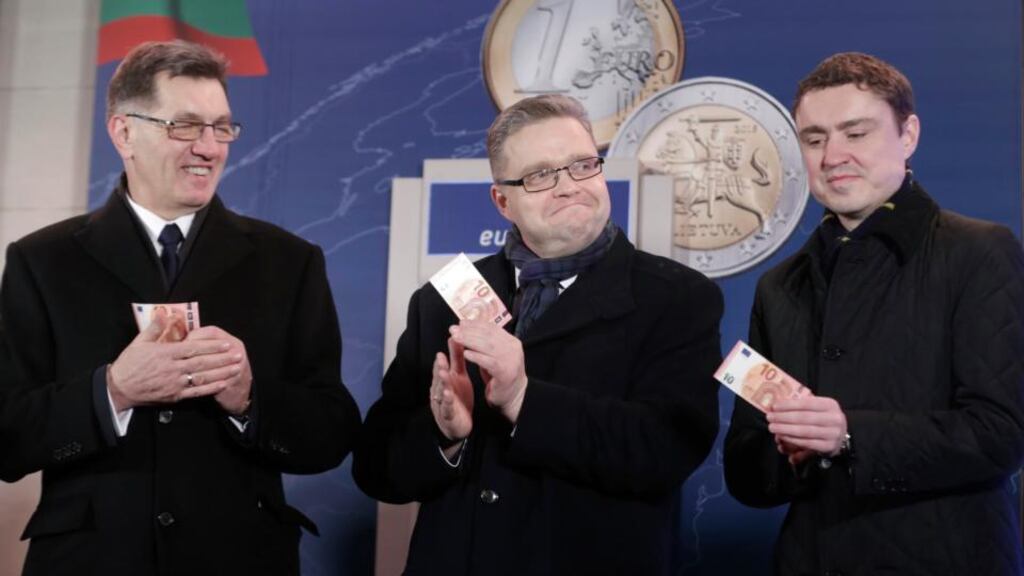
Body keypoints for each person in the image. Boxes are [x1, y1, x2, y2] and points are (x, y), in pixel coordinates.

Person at [0, 40, 361, 576]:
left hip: (239, 559)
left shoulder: (289, 261)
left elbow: (330, 433)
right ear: (124, 133)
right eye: (186, 127)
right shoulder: (41, 261)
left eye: (222, 128)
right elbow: (8, 436)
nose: (209, 148)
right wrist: (112, 391)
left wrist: (249, 399)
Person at [354, 94, 723, 575]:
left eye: (582, 165)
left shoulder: (677, 297)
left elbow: (663, 452)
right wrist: (444, 435)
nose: (568, 187)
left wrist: (522, 399)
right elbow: (376, 470)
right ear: (502, 201)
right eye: (540, 175)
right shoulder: (441, 299)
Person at [724, 52, 1024, 575]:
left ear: (909, 135)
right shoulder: (780, 286)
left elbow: (1002, 432)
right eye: (814, 139)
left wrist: (849, 436)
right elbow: (745, 473)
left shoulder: (978, 252)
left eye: (856, 133)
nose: (833, 155)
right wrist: (793, 453)